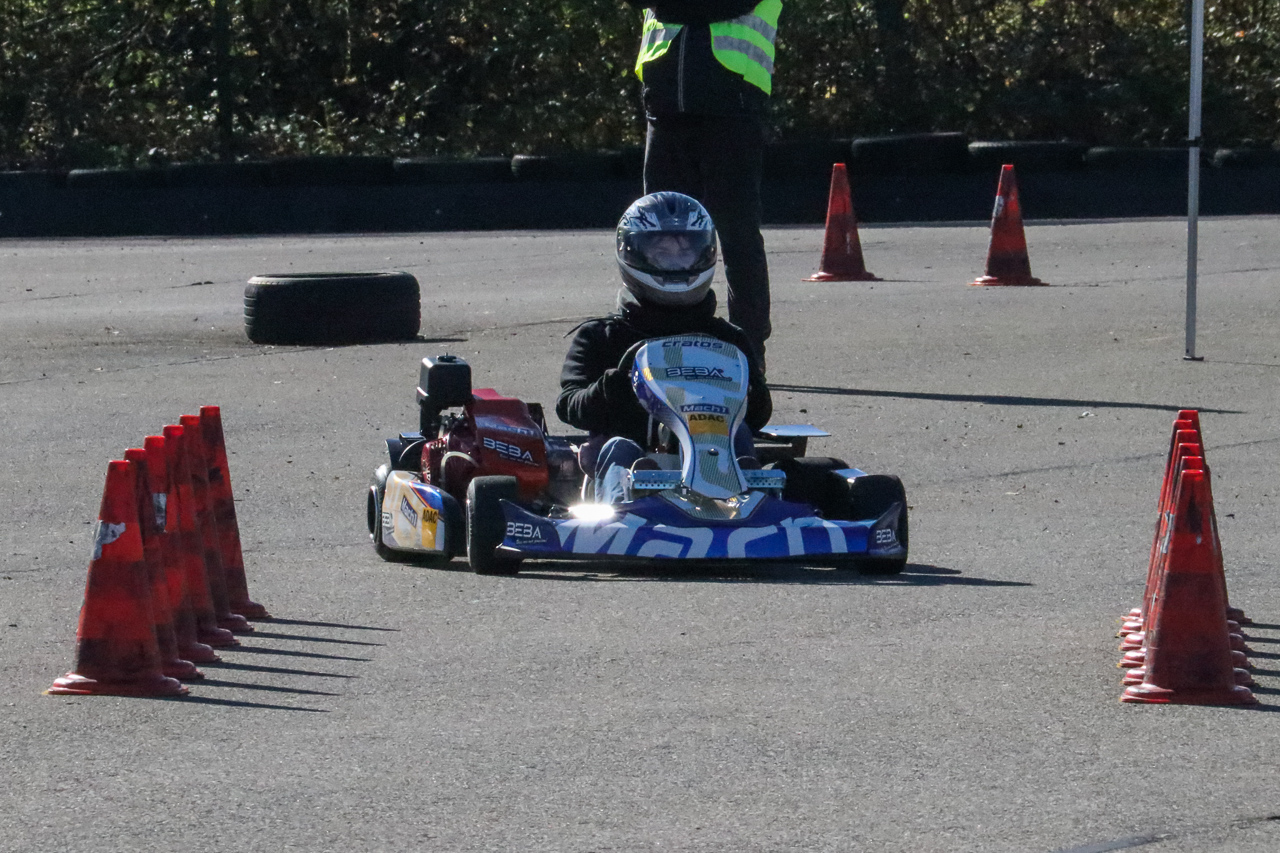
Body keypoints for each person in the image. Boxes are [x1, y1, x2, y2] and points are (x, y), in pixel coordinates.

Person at [557, 191, 772, 503]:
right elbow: (568, 404)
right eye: (662, 252)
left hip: (715, 454)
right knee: (618, 448)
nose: (675, 262)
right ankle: (628, 504)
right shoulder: (602, 336)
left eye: (685, 251)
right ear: (632, 253)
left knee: (738, 435)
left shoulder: (728, 338)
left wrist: (748, 395)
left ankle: (748, 495)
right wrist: (611, 388)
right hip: (632, 458)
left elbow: (760, 415)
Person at [623, 0, 782, 370]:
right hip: (664, 108)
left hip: (732, 105)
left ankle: (749, 346)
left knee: (737, 233)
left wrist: (665, 5)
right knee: (659, 234)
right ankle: (661, 342)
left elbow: (714, 7)